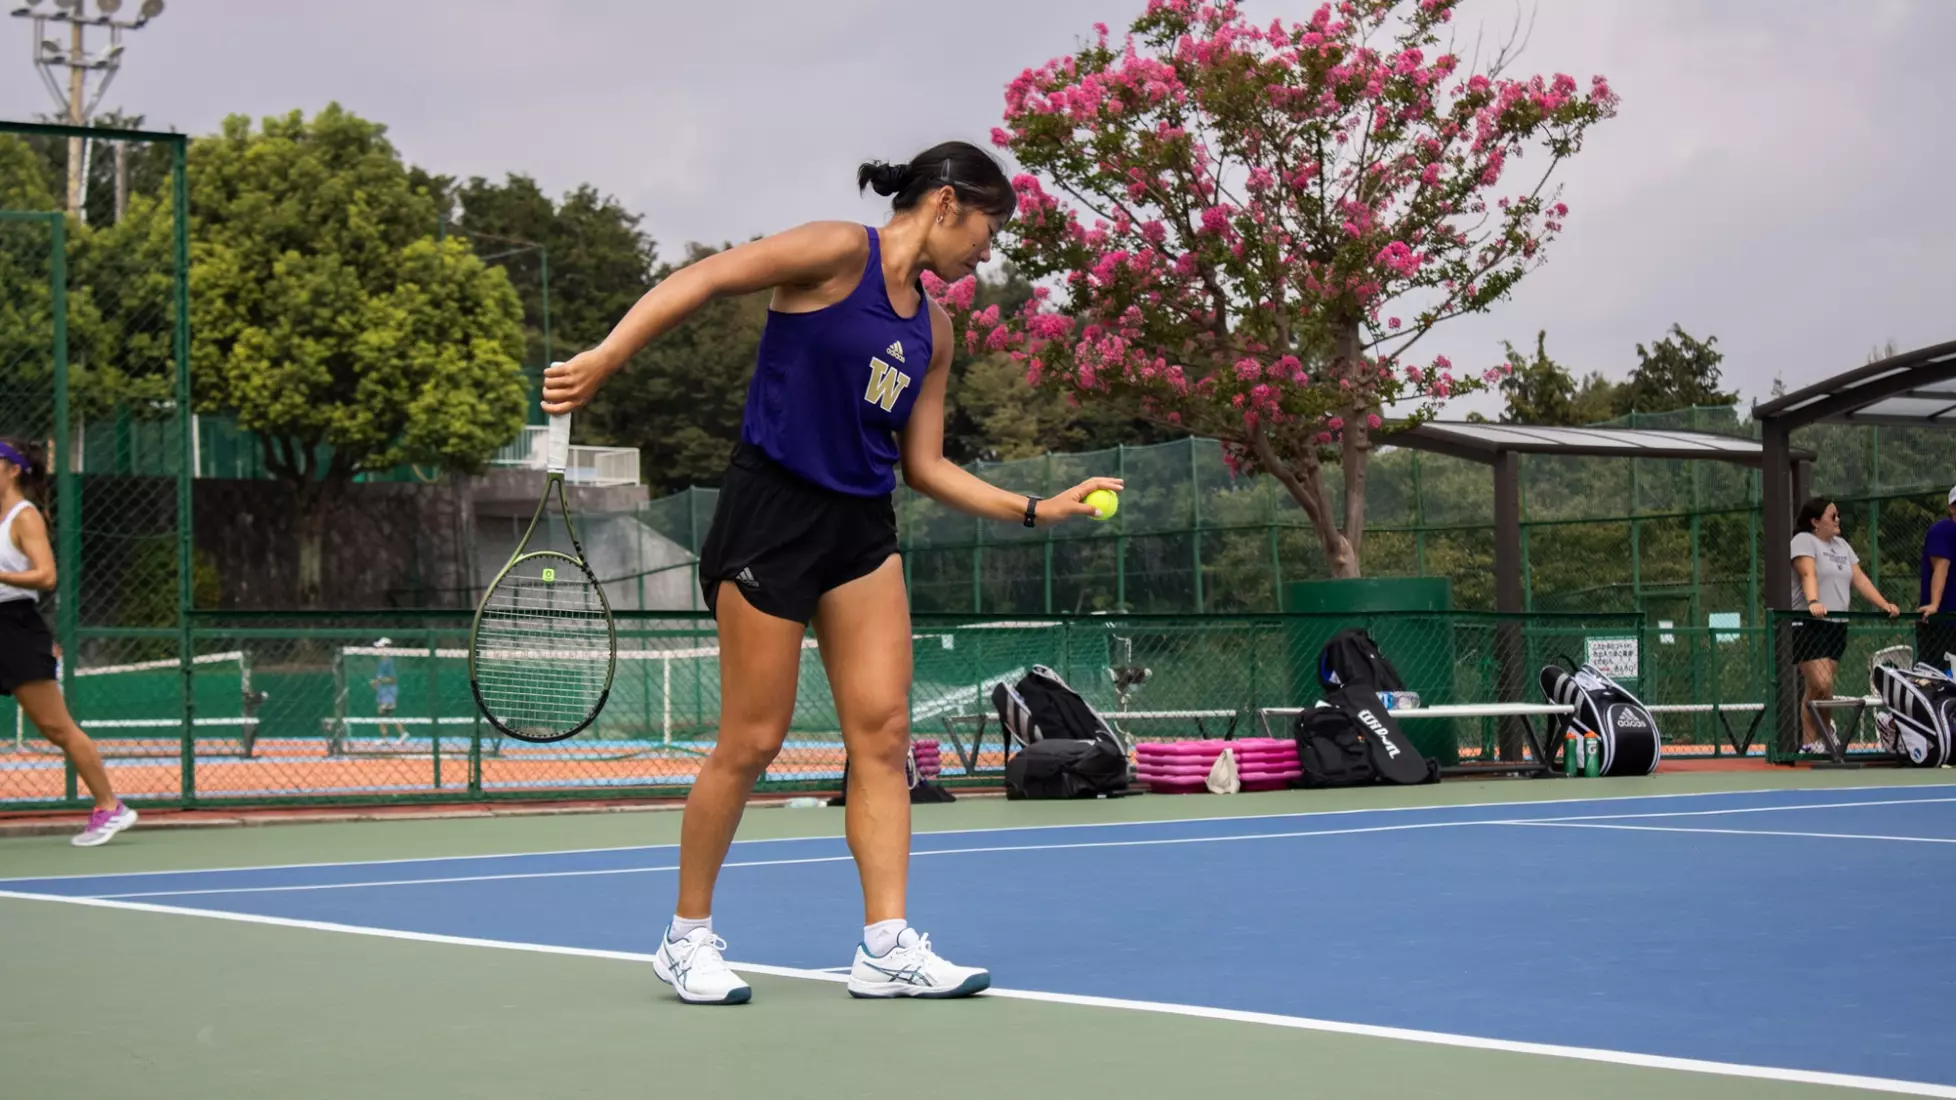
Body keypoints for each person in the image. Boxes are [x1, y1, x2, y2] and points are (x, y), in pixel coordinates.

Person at [543, 140, 1121, 1005]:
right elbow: (700, 280)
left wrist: (1037, 508)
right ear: (945, 202)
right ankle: (685, 936)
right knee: (752, 740)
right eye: (987, 230)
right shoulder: (835, 251)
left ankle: (885, 946)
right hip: (770, 515)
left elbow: (923, 464)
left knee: (883, 738)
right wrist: (606, 357)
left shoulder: (934, 328)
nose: (986, 252)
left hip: (859, 527)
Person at [0, 437, 138, 846]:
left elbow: (46, 576)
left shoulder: (25, 517)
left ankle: (110, 805)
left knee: (56, 728)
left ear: (13, 469)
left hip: (16, 628)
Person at [1789, 497, 1899, 754]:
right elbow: (1808, 573)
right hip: (1809, 623)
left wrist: (1884, 604)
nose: (1838, 520)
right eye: (1832, 516)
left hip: (1837, 626)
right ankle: (1812, 740)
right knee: (1822, 683)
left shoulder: (1842, 546)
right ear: (1815, 522)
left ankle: (1822, 739)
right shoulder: (1804, 540)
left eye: (1838, 515)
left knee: (1820, 687)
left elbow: (1859, 579)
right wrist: (1813, 601)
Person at [1916, 486, 1956, 675]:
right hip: (1942, 620)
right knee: (1935, 676)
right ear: (1952, 508)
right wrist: (1934, 605)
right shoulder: (1943, 530)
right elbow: (1941, 568)